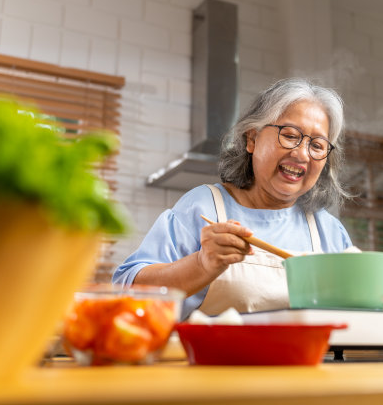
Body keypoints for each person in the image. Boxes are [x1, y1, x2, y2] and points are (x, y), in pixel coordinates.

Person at [113, 77, 353, 319]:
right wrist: (201, 264)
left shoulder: (327, 230)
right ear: (252, 139)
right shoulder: (203, 207)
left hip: (308, 358)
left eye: (318, 145)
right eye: (290, 135)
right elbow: (128, 292)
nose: (302, 154)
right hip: (214, 357)